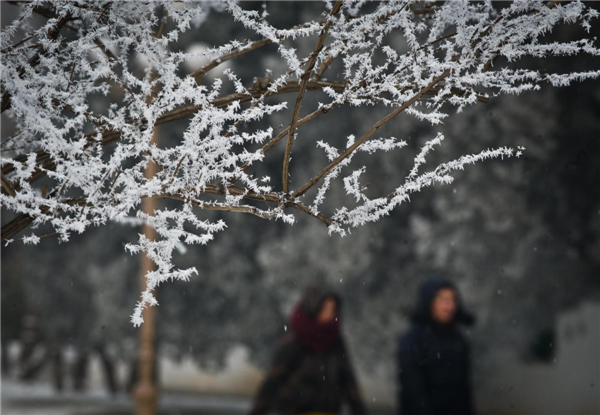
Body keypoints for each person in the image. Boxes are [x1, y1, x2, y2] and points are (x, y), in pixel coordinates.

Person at [249, 283, 367, 415]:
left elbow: (348, 381)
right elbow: (272, 381)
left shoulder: (335, 340)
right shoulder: (294, 340)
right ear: (314, 308)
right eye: (325, 308)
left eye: (332, 309)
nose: (329, 314)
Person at [397, 278, 475, 415]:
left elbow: (463, 390)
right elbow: (414, 388)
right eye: (442, 299)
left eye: (452, 300)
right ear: (429, 302)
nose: (448, 306)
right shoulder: (413, 340)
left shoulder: (458, 341)